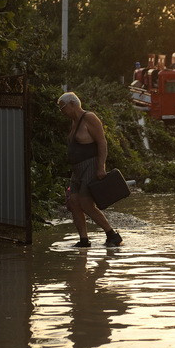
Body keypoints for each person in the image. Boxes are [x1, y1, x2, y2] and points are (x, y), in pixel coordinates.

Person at [58, 92, 123, 247]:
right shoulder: (74, 122)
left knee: (86, 203)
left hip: (91, 165)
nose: (62, 112)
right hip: (77, 169)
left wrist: (101, 167)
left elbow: (102, 142)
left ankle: (112, 235)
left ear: (73, 104)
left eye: (63, 108)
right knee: (74, 202)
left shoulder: (89, 118)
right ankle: (84, 240)